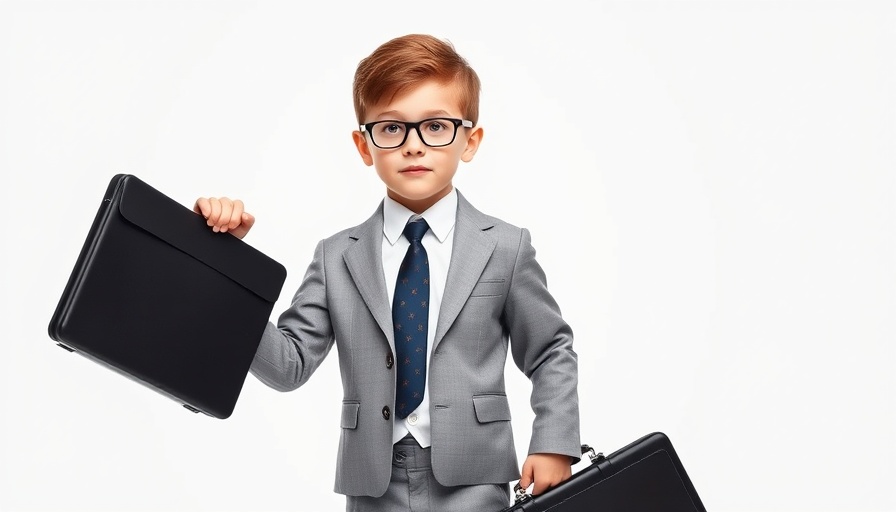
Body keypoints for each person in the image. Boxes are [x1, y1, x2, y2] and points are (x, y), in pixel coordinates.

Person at [194, 33, 581, 512]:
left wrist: (554, 443)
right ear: (364, 145)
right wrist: (227, 267)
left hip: (474, 477)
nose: (414, 146)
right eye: (392, 129)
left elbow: (550, 350)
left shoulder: (505, 246)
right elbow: (288, 366)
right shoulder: (336, 256)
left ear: (470, 140)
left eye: (436, 126)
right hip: (373, 482)